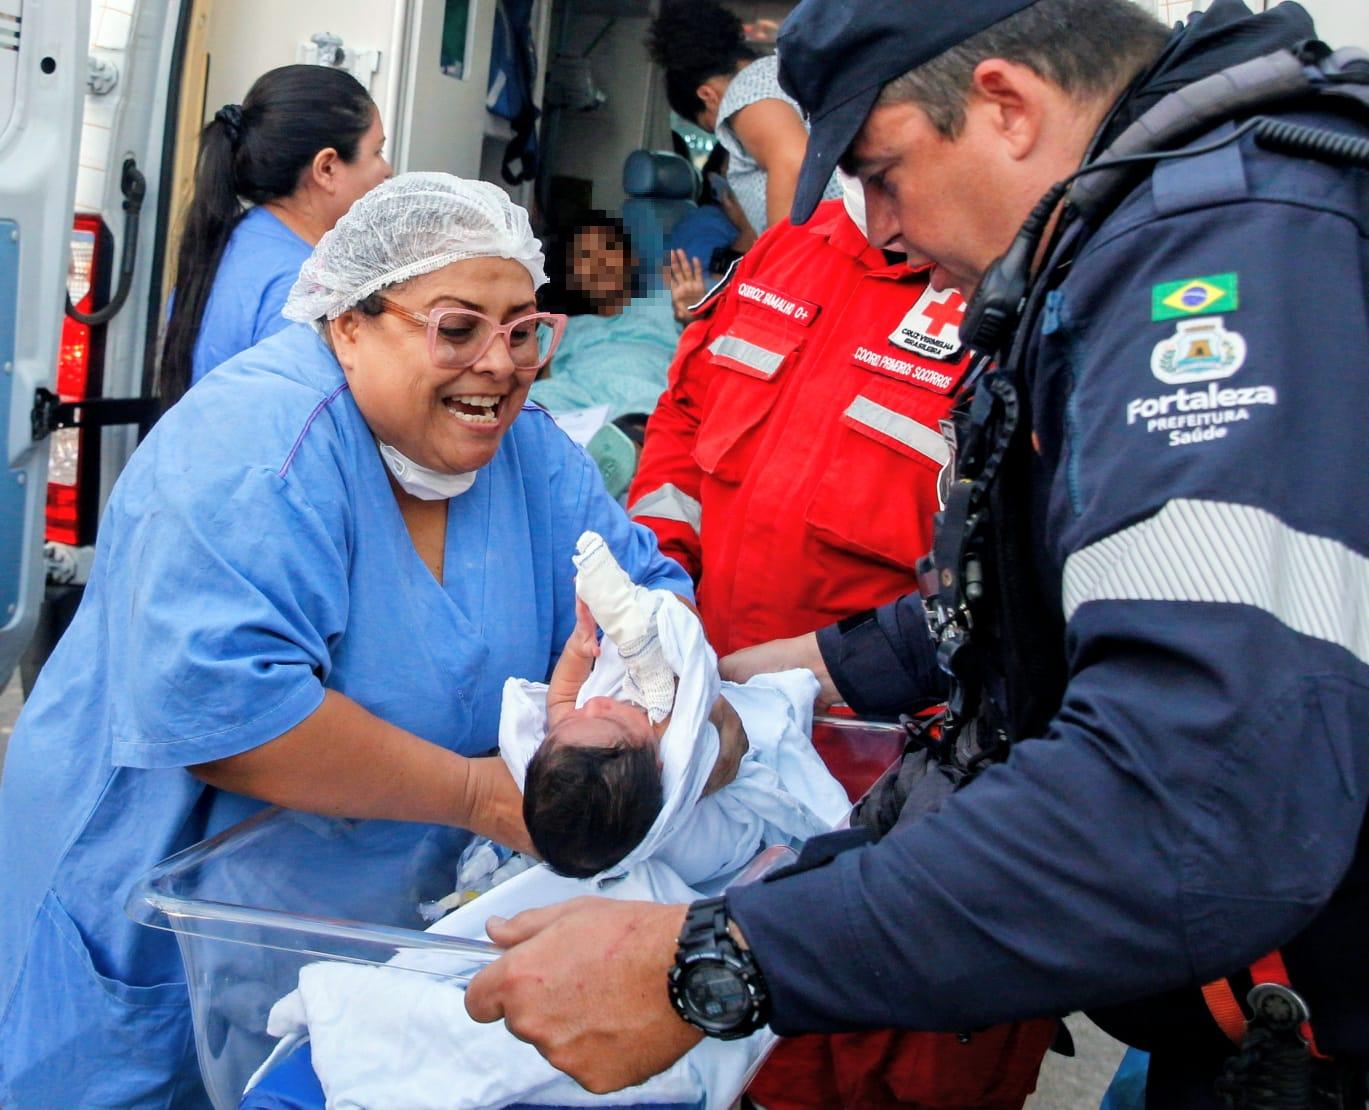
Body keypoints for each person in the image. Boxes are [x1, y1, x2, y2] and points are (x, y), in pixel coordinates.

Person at [463, 3, 1369, 1107]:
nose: (880, 229)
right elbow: (1013, 589)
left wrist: (714, 965)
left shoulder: (1227, 257)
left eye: (883, 173)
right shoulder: (1136, 242)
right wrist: (746, 675)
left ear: (1007, 106)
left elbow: (1191, 791)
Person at [0, 173, 694, 1109]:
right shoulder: (256, 448)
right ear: (349, 323)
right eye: (457, 328)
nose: (499, 364)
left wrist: (647, 717)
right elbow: (231, 717)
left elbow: (653, 601)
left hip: (352, 937)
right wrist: (484, 795)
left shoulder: (527, 456)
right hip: (158, 927)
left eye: (525, 329)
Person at [627, 184, 1054, 1107]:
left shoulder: (1025, 275)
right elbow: (686, 421)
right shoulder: (790, 250)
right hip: (721, 778)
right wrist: (655, 587)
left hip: (913, 818)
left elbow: (1039, 588)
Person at [159, 64, 391, 405]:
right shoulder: (303, 291)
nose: (387, 170)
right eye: (377, 152)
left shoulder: (237, 240)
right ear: (326, 168)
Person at [646, 0, 841, 234]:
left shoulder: (743, 91)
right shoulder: (780, 73)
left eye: (713, 126)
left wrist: (780, 264)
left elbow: (793, 161)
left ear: (708, 95)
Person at [529, 214, 699, 422]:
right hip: (577, 399)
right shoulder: (561, 326)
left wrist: (694, 316)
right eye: (585, 255)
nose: (599, 262)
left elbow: (704, 358)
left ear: (631, 259)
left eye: (608, 248)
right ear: (572, 275)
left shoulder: (666, 303)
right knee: (532, 406)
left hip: (645, 397)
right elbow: (544, 383)